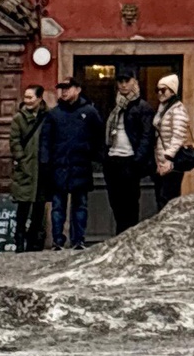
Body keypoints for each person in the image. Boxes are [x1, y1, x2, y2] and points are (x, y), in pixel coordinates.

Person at [39, 78, 105, 249]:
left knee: (80, 206)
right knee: (58, 207)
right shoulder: (54, 114)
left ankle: (78, 240)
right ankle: (57, 241)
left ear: (78, 89)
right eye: (62, 88)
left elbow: (99, 137)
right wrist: (45, 163)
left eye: (67, 88)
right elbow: (45, 141)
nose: (64, 92)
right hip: (59, 166)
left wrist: (96, 156)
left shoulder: (89, 112)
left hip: (81, 165)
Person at [102, 72, 154, 235]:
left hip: (130, 160)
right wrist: (104, 156)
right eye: (120, 81)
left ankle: (129, 237)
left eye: (127, 81)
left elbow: (147, 135)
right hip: (113, 159)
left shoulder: (142, 107)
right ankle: (120, 236)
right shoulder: (113, 106)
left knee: (130, 204)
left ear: (134, 82)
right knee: (115, 203)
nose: (124, 85)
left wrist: (137, 160)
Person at [152, 73, 194, 206]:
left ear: (172, 91)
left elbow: (178, 136)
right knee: (162, 198)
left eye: (163, 90)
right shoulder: (163, 109)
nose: (160, 93)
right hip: (162, 161)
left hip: (171, 162)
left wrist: (168, 158)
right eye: (157, 90)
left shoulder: (177, 110)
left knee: (168, 198)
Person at [10, 86, 48, 251]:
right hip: (26, 167)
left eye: (30, 97)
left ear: (39, 98)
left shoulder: (48, 116)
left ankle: (34, 241)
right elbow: (14, 140)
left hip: (42, 168)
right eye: (25, 97)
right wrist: (20, 158)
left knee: (40, 207)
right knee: (23, 206)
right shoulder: (19, 118)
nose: (27, 100)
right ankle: (19, 241)